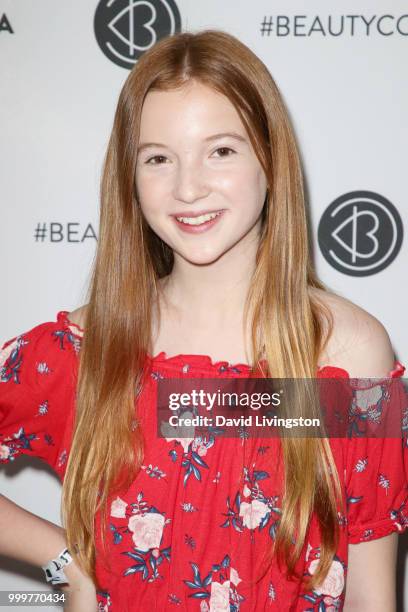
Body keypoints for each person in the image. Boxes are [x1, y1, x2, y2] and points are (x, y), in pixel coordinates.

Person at [0, 29, 407, 612]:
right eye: (159, 158)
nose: (188, 188)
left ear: (271, 158)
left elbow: (373, 592)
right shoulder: (87, 350)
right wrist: (69, 562)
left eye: (221, 150)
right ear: (130, 179)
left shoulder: (345, 351)